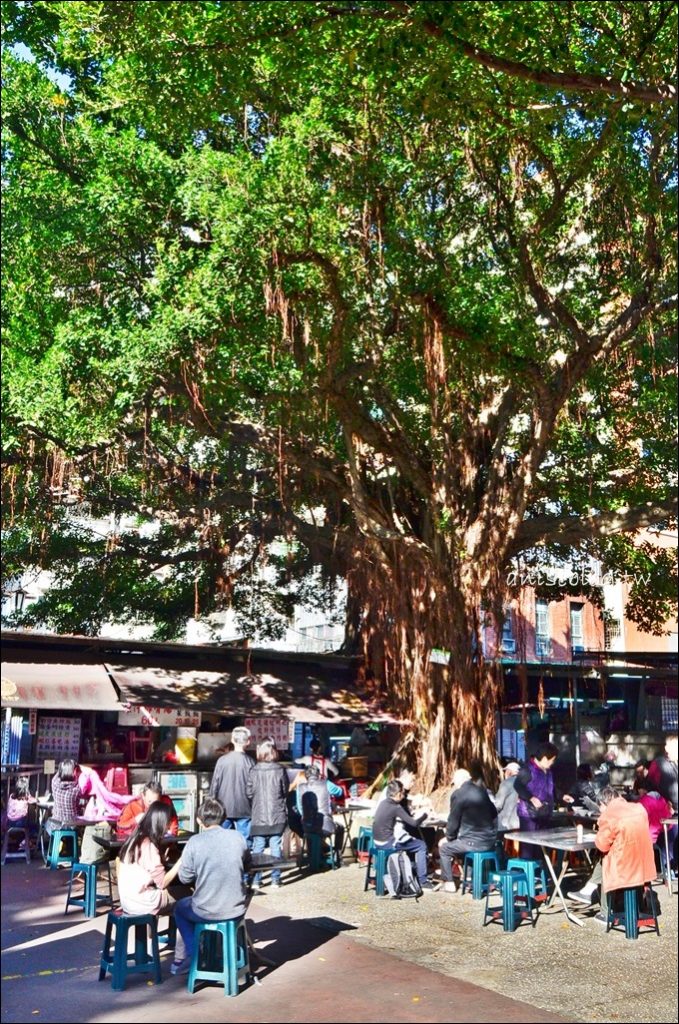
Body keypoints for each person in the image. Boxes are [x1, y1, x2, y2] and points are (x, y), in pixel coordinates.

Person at [171, 797, 252, 975]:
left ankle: (195, 955)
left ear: (199, 820)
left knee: (179, 909)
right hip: (236, 909)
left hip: (204, 910)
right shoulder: (238, 837)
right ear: (223, 817)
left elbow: (185, 878)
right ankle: (212, 954)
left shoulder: (194, 842)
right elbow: (247, 866)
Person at [569, 787, 656, 922]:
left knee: (606, 859)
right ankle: (590, 888)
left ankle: (604, 912)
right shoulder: (638, 808)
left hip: (626, 866)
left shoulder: (609, 814)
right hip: (645, 862)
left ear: (604, 804)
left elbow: (602, 844)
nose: (600, 812)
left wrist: (599, 832)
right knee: (609, 857)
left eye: (600, 808)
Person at [117, 801, 185, 957]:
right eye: (167, 824)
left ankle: (150, 947)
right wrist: (180, 862)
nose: (168, 828)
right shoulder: (148, 845)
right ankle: (184, 955)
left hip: (128, 899)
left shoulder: (135, 839)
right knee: (188, 897)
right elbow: (162, 883)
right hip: (142, 901)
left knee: (178, 898)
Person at [439, 767, 498, 892]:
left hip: (472, 842)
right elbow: (494, 813)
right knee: (464, 847)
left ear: (457, 781)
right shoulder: (482, 791)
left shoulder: (458, 794)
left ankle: (449, 883)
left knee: (444, 849)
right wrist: (493, 833)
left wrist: (450, 838)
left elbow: (453, 821)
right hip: (489, 841)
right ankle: (470, 879)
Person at [372, 779, 436, 891]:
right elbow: (414, 823)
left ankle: (411, 871)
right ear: (398, 794)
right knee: (421, 845)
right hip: (389, 843)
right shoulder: (396, 807)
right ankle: (423, 881)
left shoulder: (383, 803)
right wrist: (425, 814)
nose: (404, 795)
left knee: (409, 840)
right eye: (403, 793)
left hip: (377, 842)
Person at [246, 739, 289, 891]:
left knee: (257, 847)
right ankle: (275, 879)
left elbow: (249, 792)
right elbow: (285, 790)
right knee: (275, 846)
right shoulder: (280, 769)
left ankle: (256, 880)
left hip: (258, 815)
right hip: (277, 814)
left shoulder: (253, 770)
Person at [208, 726, 255, 841]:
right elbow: (254, 788)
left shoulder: (222, 760)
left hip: (224, 806)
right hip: (245, 808)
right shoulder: (251, 762)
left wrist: (211, 802)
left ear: (232, 740)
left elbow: (215, 785)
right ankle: (242, 859)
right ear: (248, 742)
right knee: (244, 841)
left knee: (221, 840)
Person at [515, 742, 559, 858]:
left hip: (544, 814)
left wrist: (562, 795)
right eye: (552, 760)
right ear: (544, 758)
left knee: (542, 848)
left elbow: (552, 788)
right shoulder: (527, 770)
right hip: (528, 816)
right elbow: (518, 786)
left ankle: (540, 874)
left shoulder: (548, 771)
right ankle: (528, 874)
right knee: (529, 848)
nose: (552, 763)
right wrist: (531, 797)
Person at [295, 765, 345, 858]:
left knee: (312, 830)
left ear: (306, 776)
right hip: (325, 826)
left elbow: (300, 808)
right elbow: (339, 792)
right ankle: (337, 856)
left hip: (307, 827)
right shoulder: (326, 783)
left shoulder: (300, 787)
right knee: (340, 827)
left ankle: (313, 856)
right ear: (318, 775)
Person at [46, 760, 81, 835]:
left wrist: (63, 768)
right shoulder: (77, 788)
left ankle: (50, 844)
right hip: (72, 826)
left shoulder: (54, 783)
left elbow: (57, 775)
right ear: (74, 772)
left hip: (56, 826)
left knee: (47, 824)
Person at [647, 735, 678, 812]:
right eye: (667, 745)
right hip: (667, 811)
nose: (666, 748)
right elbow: (650, 785)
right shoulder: (658, 763)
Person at [493, 762, 520, 833]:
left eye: (505, 771)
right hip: (522, 823)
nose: (504, 774)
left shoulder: (507, 783)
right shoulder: (525, 782)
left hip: (507, 824)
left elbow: (498, 805)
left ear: (509, 772)